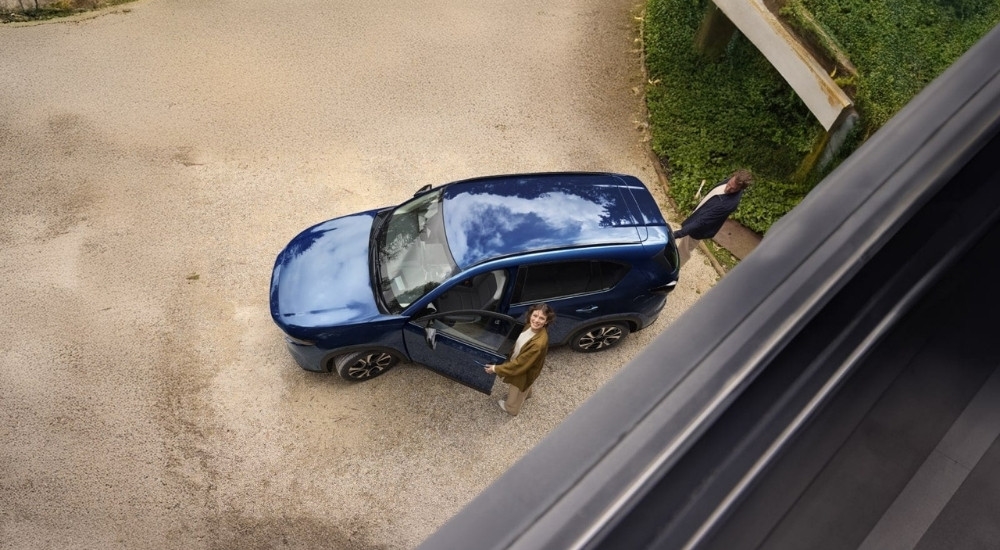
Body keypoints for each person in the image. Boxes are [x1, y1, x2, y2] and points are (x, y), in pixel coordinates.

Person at [484, 303, 555, 416]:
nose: (536, 320)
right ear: (530, 314)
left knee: (515, 389)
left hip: (523, 371)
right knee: (526, 385)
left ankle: (511, 408)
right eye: (535, 315)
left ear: (546, 321)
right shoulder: (529, 326)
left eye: (542, 318)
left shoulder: (537, 344)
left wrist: (496, 368)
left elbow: (519, 365)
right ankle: (526, 394)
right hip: (529, 367)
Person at [674, 169, 753, 266]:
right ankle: (672, 258)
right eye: (729, 184)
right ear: (732, 177)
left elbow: (702, 221)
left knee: (684, 250)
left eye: (732, 189)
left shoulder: (727, 205)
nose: (727, 189)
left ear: (740, 189)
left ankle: (673, 271)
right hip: (699, 217)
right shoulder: (735, 181)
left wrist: (677, 234)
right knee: (683, 244)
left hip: (699, 228)